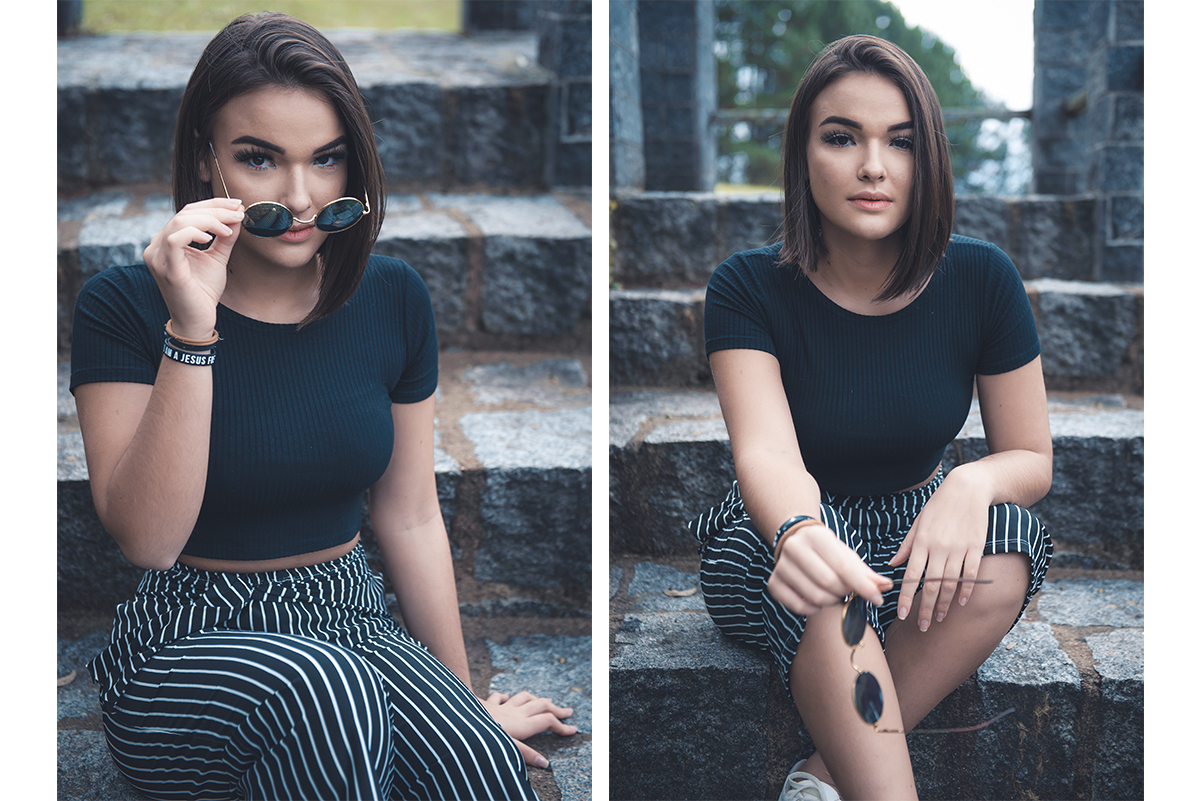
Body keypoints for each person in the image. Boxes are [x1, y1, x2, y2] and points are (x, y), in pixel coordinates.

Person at [70, 12, 575, 800]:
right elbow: (148, 539)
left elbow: (410, 516)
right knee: (327, 689)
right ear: (205, 156)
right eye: (259, 158)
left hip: (350, 617)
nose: (301, 198)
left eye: (326, 158)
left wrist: (462, 703)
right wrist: (191, 330)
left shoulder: (394, 296)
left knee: (480, 765)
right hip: (188, 640)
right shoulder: (121, 305)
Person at [688, 35, 1053, 801]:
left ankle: (821, 778)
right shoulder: (746, 286)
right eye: (842, 137)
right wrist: (801, 530)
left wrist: (969, 484)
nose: (873, 167)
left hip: (915, 527)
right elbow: (766, 454)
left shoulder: (983, 278)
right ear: (803, 153)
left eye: (901, 141)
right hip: (776, 530)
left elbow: (1029, 456)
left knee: (1013, 542)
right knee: (827, 573)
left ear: (931, 158)